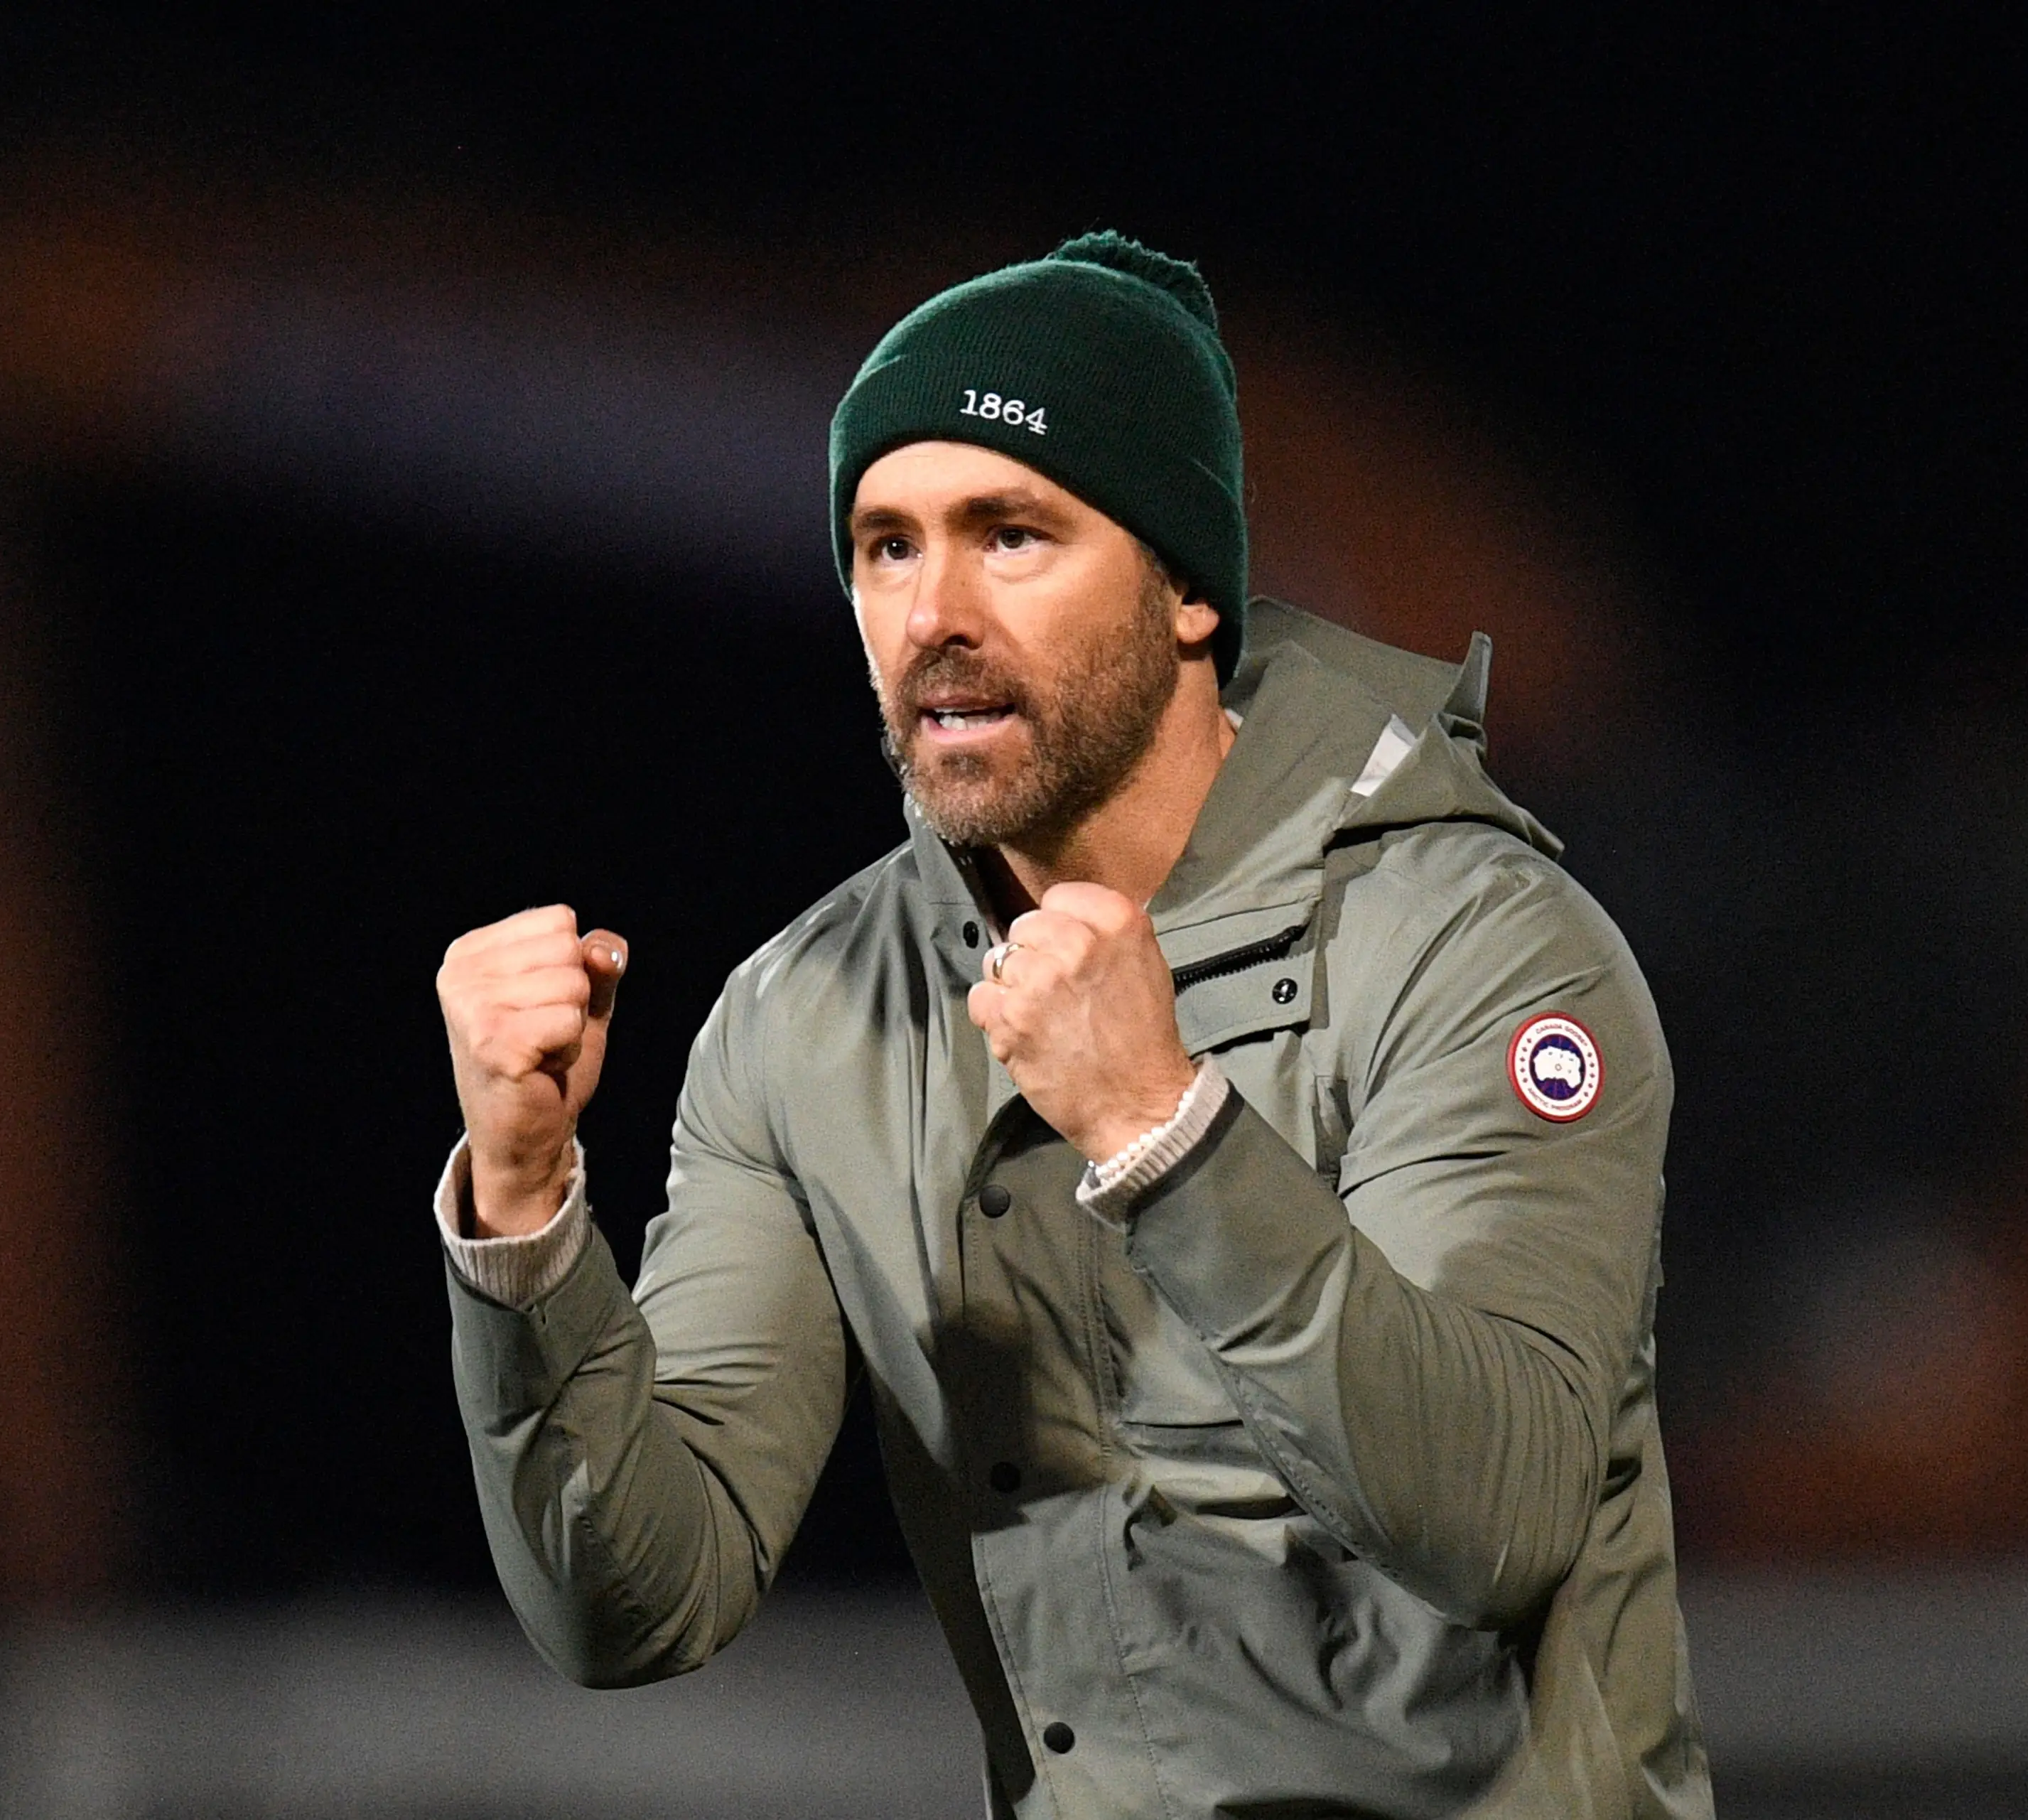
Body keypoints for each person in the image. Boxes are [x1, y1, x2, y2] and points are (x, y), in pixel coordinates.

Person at [431, 232, 1713, 1819]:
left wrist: (1168, 1134)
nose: (934, 614)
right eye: (885, 547)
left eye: (1011, 535)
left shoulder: (1475, 942)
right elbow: (640, 1600)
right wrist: (521, 1213)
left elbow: (1496, 1514)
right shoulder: (806, 1016)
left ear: (1186, 589)